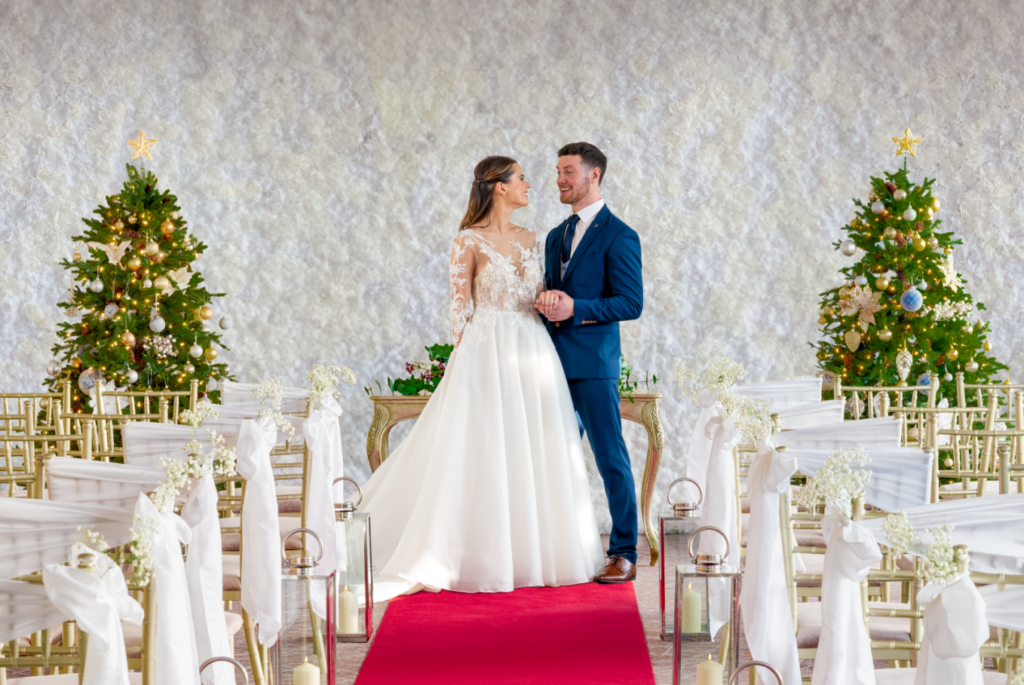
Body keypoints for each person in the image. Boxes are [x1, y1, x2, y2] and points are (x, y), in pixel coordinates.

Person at [357, 155, 604, 600]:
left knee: (535, 444)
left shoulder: (536, 238)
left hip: (532, 350)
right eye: (521, 177)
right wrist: (467, 362)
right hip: (485, 351)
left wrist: (549, 301)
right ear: (499, 187)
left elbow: (540, 294)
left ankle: (536, 553)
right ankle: (478, 554)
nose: (532, 183)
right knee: (484, 446)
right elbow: (458, 312)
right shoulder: (467, 241)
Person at [536, 142, 644, 583]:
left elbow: (631, 302)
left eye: (568, 171)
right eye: (558, 171)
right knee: (549, 457)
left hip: (594, 367)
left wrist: (576, 307)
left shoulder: (620, 235)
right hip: (549, 364)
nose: (560, 179)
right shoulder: (554, 235)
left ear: (593, 175)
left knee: (610, 458)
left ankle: (623, 552)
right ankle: (554, 547)